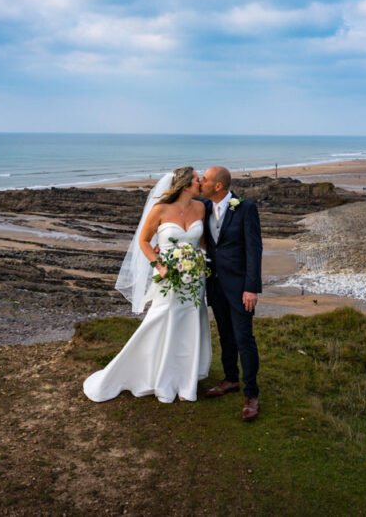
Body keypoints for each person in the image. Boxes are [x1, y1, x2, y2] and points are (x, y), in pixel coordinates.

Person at [83, 166, 211, 403]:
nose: (200, 181)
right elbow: (143, 241)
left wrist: (201, 260)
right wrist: (159, 265)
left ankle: (186, 380)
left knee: (192, 322)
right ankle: (155, 373)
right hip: (167, 277)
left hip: (195, 278)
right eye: (196, 179)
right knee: (162, 319)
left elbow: (202, 242)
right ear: (184, 185)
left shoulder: (201, 207)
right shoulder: (160, 209)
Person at [199, 166, 263, 422]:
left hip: (240, 288)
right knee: (225, 334)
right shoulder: (203, 206)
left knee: (244, 338)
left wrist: (251, 287)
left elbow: (254, 249)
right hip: (215, 285)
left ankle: (251, 394)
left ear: (218, 186)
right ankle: (230, 379)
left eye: (205, 179)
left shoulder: (245, 208)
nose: (201, 182)